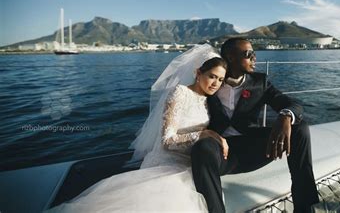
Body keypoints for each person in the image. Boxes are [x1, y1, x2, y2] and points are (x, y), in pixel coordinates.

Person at [46, 44, 228, 212]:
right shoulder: (179, 93)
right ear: (198, 73)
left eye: (220, 79)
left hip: (191, 162)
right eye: (212, 76)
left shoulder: (207, 100)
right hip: (168, 163)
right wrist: (205, 134)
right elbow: (167, 141)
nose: (216, 83)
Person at [191, 38, 319, 213]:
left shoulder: (260, 82)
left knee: (300, 129)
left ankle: (305, 208)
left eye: (254, 54)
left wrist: (285, 116)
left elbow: (292, 103)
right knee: (203, 146)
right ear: (231, 56)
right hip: (220, 153)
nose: (254, 58)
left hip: (254, 149)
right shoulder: (211, 81)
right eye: (248, 54)